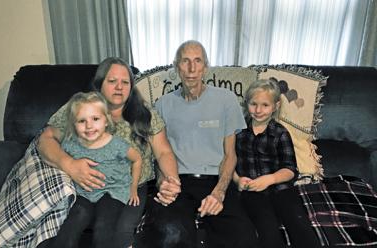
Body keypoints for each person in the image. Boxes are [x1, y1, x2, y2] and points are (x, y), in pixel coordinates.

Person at [37, 57, 180, 248]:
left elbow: (163, 152)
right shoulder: (81, 107)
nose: (119, 87)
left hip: (129, 186)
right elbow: (45, 139)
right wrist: (69, 165)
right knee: (68, 225)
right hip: (85, 184)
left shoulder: (146, 114)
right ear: (99, 84)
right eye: (112, 81)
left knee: (119, 232)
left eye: (125, 82)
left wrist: (171, 180)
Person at [135, 40, 259, 248]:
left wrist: (219, 192)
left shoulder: (226, 100)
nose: (192, 69)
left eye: (197, 61)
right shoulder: (163, 105)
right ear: (176, 67)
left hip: (216, 180)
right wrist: (163, 185)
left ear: (205, 66)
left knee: (244, 237)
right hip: (179, 182)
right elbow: (160, 155)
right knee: (170, 236)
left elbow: (231, 155)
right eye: (185, 61)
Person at [234, 79, 321, 248]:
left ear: (276, 105)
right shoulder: (237, 130)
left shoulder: (280, 133)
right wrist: (237, 180)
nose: (258, 110)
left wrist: (270, 179)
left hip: (281, 188)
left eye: (265, 105)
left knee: (298, 222)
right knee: (267, 228)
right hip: (252, 190)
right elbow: (228, 161)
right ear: (246, 103)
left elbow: (290, 170)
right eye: (253, 104)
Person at [51, 91, 142, 247]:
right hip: (84, 192)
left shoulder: (117, 145)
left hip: (112, 191)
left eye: (95, 119)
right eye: (81, 121)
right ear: (74, 124)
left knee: (103, 226)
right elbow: (57, 160)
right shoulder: (70, 144)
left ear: (106, 120)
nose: (89, 126)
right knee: (74, 219)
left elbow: (137, 159)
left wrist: (133, 188)